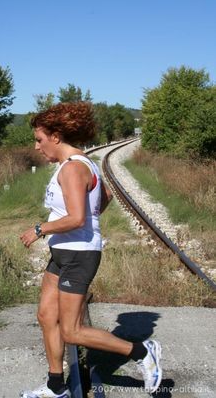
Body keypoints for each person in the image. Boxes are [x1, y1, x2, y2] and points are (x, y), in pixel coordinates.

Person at [20, 102, 162, 398]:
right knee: (47, 316)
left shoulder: (72, 168)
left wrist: (39, 229)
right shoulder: (79, 163)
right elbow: (106, 195)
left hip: (78, 256)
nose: (36, 146)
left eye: (39, 139)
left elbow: (76, 217)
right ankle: (56, 386)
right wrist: (88, 226)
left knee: (71, 330)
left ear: (56, 137)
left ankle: (141, 352)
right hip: (65, 252)